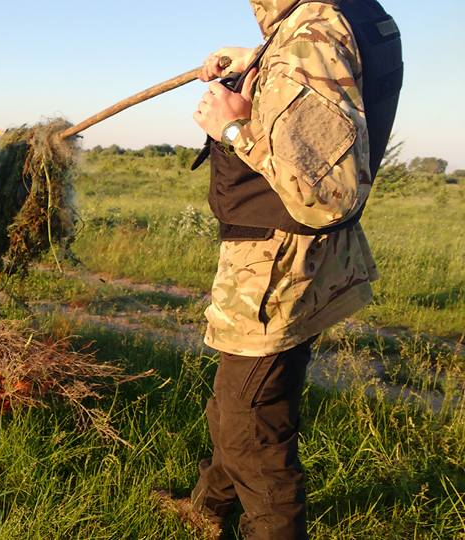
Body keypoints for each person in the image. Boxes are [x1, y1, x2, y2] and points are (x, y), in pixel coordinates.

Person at [159, 0, 402, 538]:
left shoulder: (310, 36)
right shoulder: (350, 16)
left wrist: (230, 130)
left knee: (249, 429)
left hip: (275, 263)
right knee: (243, 403)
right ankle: (206, 509)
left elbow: (327, 192)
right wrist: (258, 60)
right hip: (299, 259)